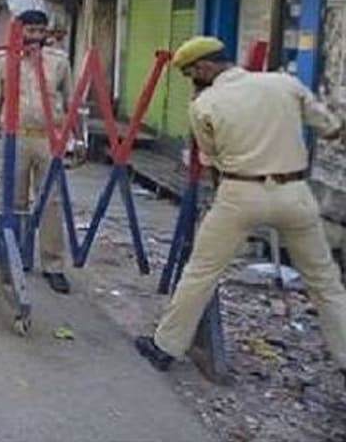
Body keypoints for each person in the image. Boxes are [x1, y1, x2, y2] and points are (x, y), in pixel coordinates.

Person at [136, 37, 346, 379]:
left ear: (204, 68)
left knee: (201, 273)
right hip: (295, 192)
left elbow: (209, 158)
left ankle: (165, 347)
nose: (194, 81)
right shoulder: (284, 83)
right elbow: (331, 128)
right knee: (325, 282)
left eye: (192, 74)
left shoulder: (205, 104)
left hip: (239, 193)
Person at [0, 9, 74, 295]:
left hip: (49, 139)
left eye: (39, 31)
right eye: (29, 30)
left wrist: (76, 141)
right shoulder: (2, 62)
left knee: (51, 201)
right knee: (14, 200)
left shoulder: (59, 62)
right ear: (19, 31)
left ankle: (53, 265)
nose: (34, 36)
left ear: (46, 33)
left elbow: (70, 103)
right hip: (16, 138)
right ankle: (16, 256)